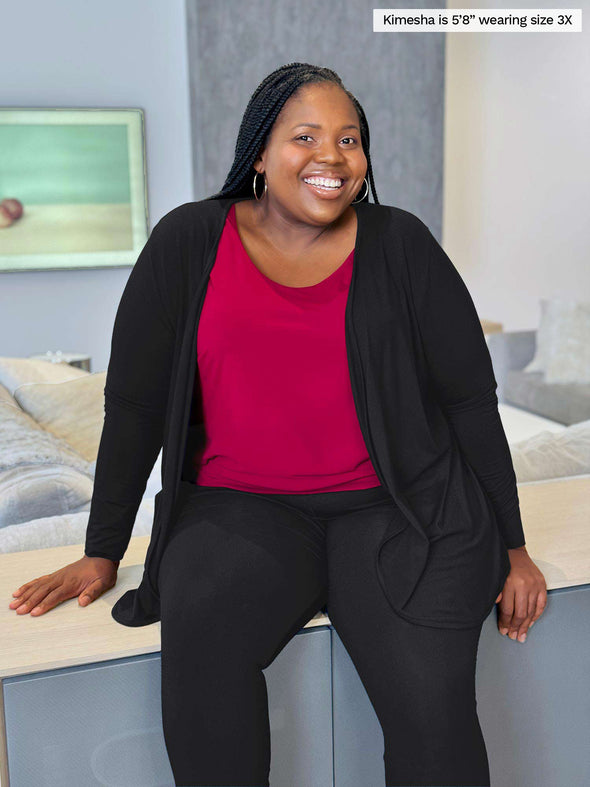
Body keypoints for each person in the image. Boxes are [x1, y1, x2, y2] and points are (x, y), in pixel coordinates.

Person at [10, 63, 547, 786]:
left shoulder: (402, 244)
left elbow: (470, 399)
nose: (332, 156)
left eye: (349, 139)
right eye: (305, 136)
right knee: (201, 658)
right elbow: (134, 406)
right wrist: (102, 550)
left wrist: (513, 545)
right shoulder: (188, 241)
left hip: (397, 508)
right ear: (259, 152)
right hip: (240, 511)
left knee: (433, 705)